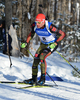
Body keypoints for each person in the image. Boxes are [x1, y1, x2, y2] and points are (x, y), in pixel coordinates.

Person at [21, 13, 65, 85]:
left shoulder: (50, 27)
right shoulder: (34, 25)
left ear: (43, 21)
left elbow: (63, 34)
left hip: (51, 44)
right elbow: (31, 34)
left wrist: (56, 43)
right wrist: (26, 42)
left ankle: (42, 79)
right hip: (43, 44)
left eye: (39, 22)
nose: (37, 24)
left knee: (42, 57)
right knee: (36, 59)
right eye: (36, 22)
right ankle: (34, 79)